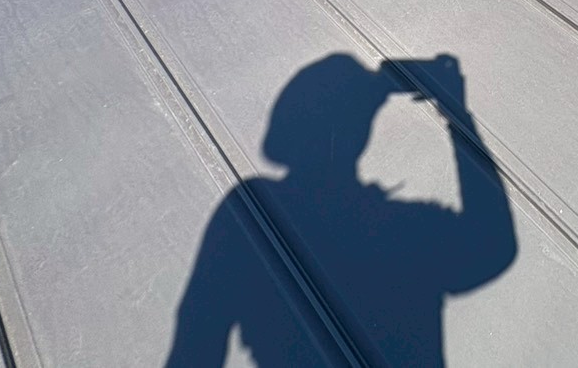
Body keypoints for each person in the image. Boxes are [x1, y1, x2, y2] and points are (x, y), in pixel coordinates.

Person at [166, 53, 516, 366]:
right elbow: (493, 245)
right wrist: (456, 114)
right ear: (361, 131)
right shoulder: (404, 228)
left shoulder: (251, 211)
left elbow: (196, 343)